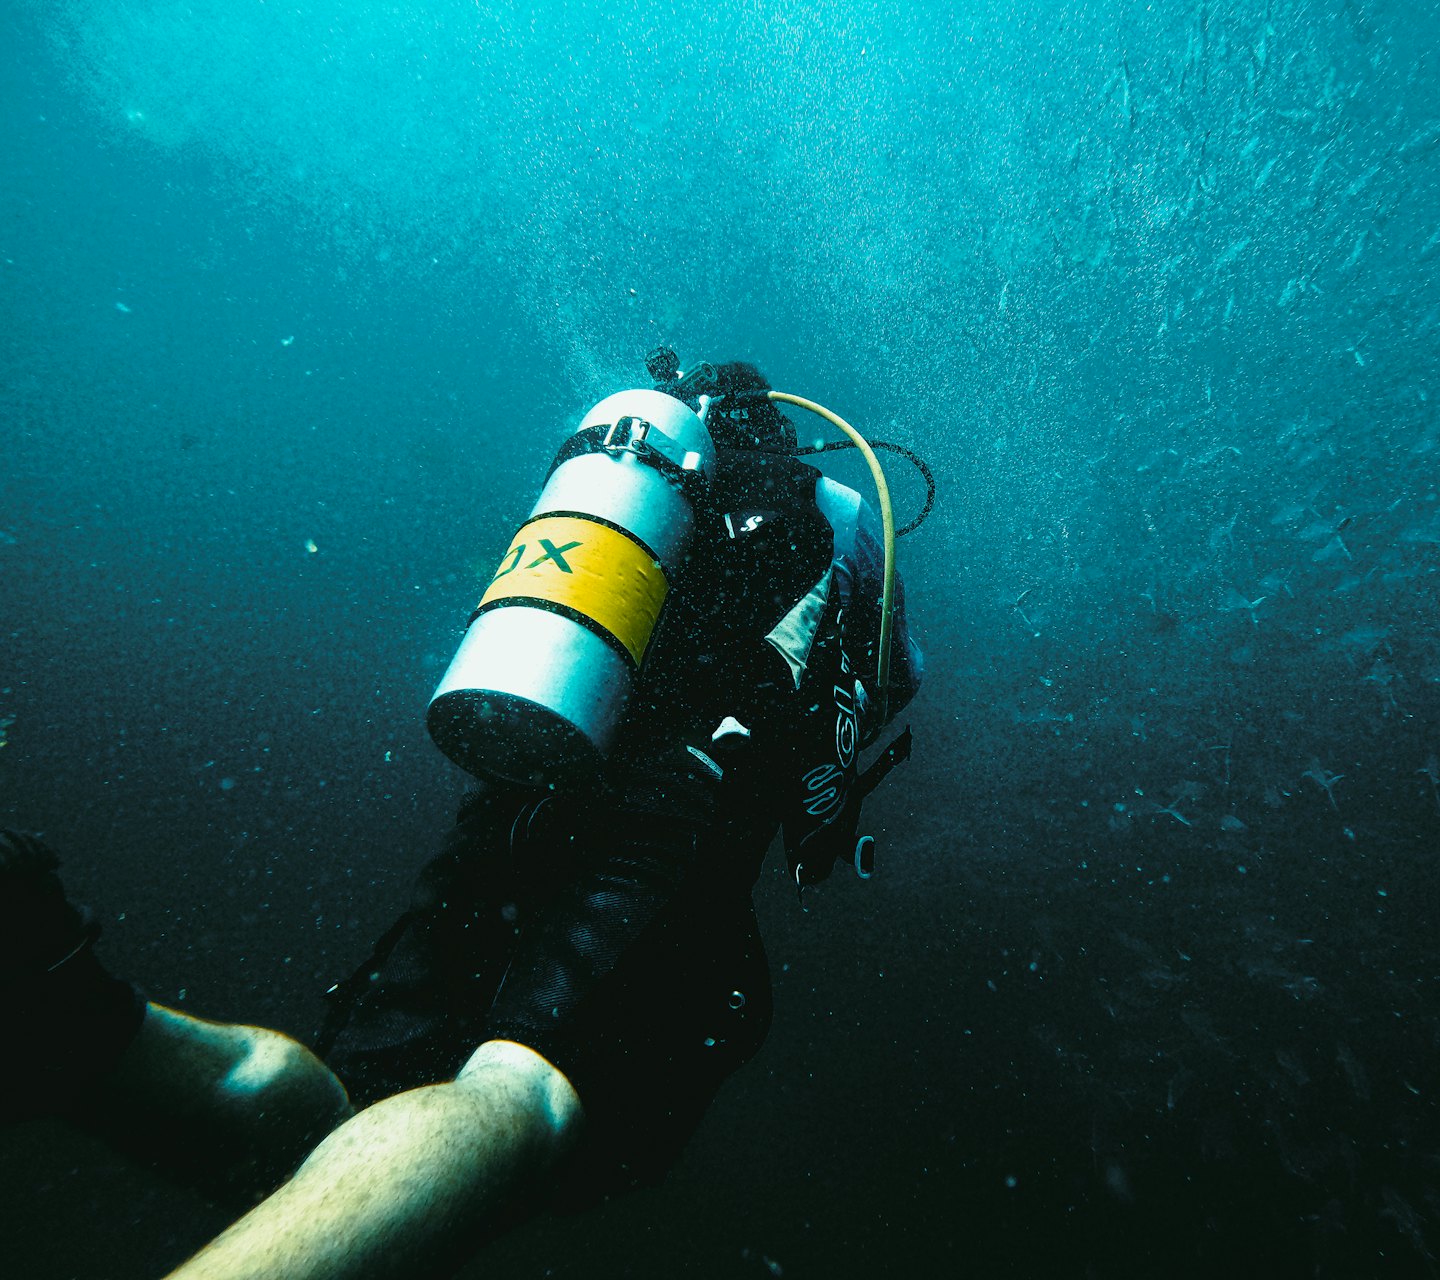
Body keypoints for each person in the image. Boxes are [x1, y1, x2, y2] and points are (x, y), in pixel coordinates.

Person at [1, 359, 923, 1280]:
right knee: (525, 1093)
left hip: (520, 781)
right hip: (670, 816)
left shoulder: (628, 478)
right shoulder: (827, 508)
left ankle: (72, 1014)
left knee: (348, 1121)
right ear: (780, 428)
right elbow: (890, 684)